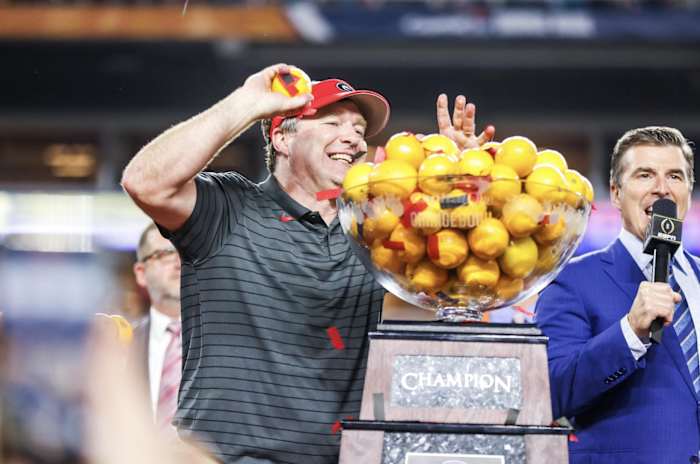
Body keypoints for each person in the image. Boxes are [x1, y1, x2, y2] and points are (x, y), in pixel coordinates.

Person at [121, 63, 492, 464]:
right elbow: (144, 181)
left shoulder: (378, 229)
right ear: (282, 136)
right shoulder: (226, 206)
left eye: (359, 131)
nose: (353, 139)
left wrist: (459, 179)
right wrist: (247, 103)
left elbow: (463, 289)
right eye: (334, 123)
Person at [535, 126, 699, 463]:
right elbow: (549, 393)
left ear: (689, 189)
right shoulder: (573, 280)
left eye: (675, 176)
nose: (662, 189)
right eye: (645, 175)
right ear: (615, 193)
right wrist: (630, 332)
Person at [129, 222, 183, 434]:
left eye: (186, 253)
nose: (179, 262)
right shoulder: (124, 345)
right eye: (166, 253)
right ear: (141, 272)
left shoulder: (231, 342)